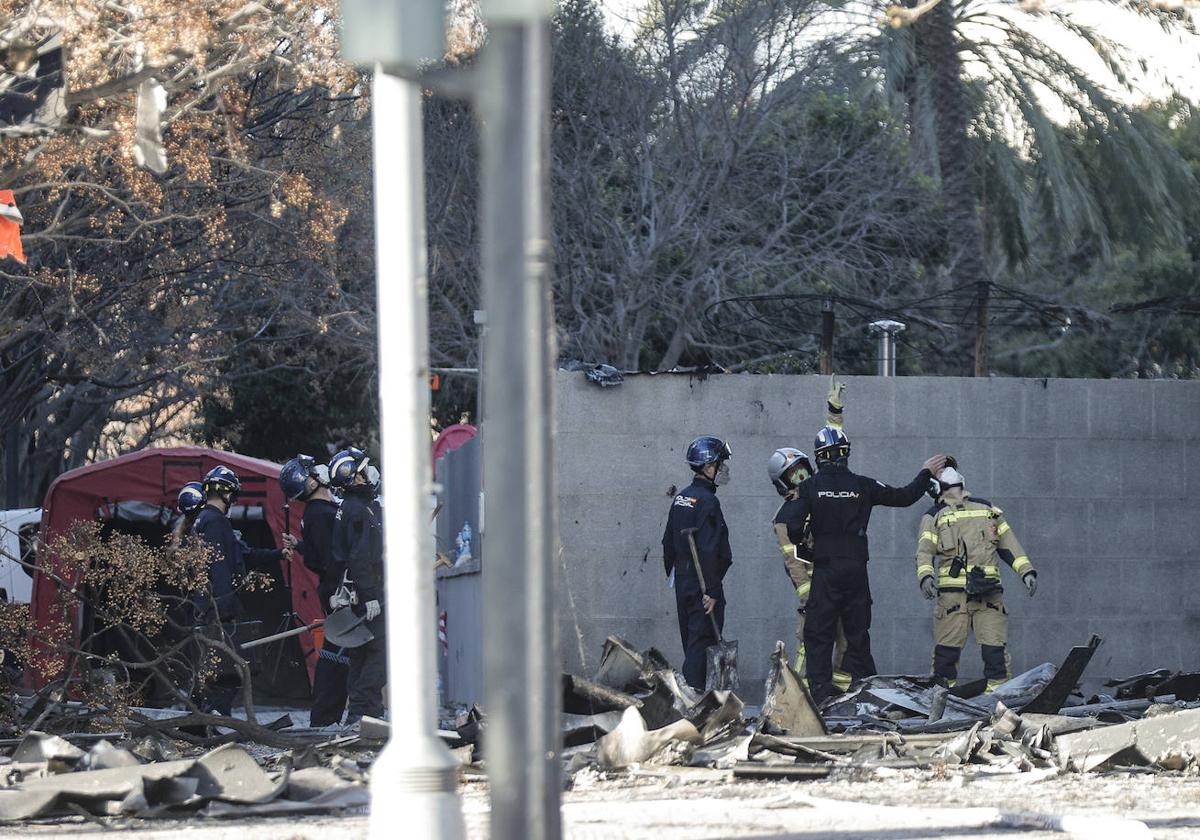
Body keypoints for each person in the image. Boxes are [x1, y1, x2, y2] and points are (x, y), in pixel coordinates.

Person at [776, 429, 945, 704]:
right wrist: (925, 472)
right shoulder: (863, 485)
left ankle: (821, 694)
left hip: (826, 570)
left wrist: (808, 548)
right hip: (856, 571)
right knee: (857, 634)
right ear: (846, 453)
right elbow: (903, 496)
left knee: (818, 633)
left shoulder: (808, 488)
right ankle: (871, 691)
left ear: (819, 458)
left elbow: (793, 527)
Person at [915, 463, 1037, 691]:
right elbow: (924, 552)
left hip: (987, 596)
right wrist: (925, 576)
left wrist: (1026, 571)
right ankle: (944, 702)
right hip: (954, 601)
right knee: (946, 657)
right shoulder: (935, 515)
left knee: (995, 655)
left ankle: (997, 703)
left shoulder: (986, 509)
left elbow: (1009, 545)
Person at [766, 375, 848, 690]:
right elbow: (793, 560)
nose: (802, 477)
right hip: (815, 590)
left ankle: (842, 697)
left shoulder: (822, 494)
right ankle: (797, 696)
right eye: (794, 474)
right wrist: (807, 593)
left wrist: (834, 412)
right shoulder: (785, 516)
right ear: (783, 483)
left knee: (846, 643)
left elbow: (835, 449)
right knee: (810, 647)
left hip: (839, 583)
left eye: (804, 470)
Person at [190, 465, 291, 715]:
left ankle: (203, 714)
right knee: (227, 669)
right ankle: (214, 717)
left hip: (208, 605)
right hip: (218, 607)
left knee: (214, 667)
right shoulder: (215, 522)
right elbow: (220, 566)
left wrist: (279, 553)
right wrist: (225, 608)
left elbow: (243, 553)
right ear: (227, 493)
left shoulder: (205, 521)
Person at [280, 454, 348, 727]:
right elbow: (330, 559)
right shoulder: (321, 514)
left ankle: (325, 716)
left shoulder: (321, 513)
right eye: (312, 470)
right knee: (338, 656)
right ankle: (324, 717)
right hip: (340, 593)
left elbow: (318, 554)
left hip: (336, 590)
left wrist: (299, 544)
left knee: (338, 655)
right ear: (308, 482)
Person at [662, 436, 732, 691]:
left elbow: (667, 543)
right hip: (704, 585)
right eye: (720, 464)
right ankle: (693, 701)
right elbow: (712, 548)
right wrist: (711, 591)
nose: (723, 469)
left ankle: (694, 697)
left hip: (684, 582)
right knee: (701, 646)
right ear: (708, 466)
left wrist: (680, 577)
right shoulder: (708, 501)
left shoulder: (681, 498)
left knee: (690, 641)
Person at [328, 447, 386, 726]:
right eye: (365, 467)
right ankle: (364, 713)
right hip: (368, 594)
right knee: (378, 655)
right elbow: (360, 556)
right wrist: (370, 595)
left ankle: (365, 716)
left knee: (361, 654)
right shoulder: (357, 510)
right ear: (355, 478)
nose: (371, 471)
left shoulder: (353, 507)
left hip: (358, 593)